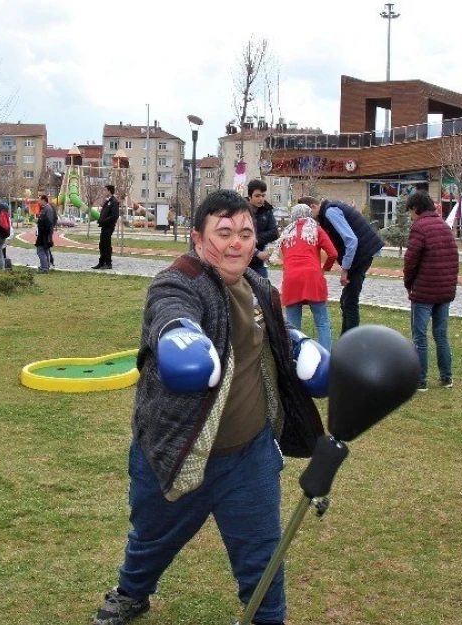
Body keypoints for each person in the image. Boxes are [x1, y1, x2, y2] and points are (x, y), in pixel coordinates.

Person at [92, 189, 327, 625]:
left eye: (245, 233)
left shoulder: (258, 286)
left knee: (263, 552)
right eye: (224, 233)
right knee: (152, 537)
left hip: (249, 455)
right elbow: (171, 310)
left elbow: (268, 336)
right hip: (177, 448)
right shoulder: (179, 280)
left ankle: (268, 617)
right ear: (199, 240)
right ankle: (132, 592)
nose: (236, 242)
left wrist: (300, 347)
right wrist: (179, 335)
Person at [302, 196, 384, 335]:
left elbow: (351, 240)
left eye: (308, 215)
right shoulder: (329, 211)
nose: (310, 220)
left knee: (350, 302)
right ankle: (345, 338)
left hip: (362, 254)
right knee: (345, 300)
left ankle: (351, 343)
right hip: (361, 254)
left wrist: (345, 270)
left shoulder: (330, 212)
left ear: (313, 207)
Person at [402, 191, 459, 391]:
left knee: (420, 336)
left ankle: (420, 380)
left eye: (410, 211)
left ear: (415, 209)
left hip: (424, 291)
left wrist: (409, 283)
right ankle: (447, 377)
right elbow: (454, 258)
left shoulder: (419, 228)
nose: (410, 215)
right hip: (444, 291)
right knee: (441, 335)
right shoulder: (445, 227)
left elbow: (410, 260)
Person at [271, 203, 337, 350]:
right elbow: (333, 253)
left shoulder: (286, 234)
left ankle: (296, 357)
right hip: (312, 277)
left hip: (291, 279)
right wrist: (325, 268)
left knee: (293, 326)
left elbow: (283, 257)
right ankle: (326, 356)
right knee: (322, 322)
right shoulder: (316, 230)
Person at [247, 179, 279, 280]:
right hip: (242, 259)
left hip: (259, 261)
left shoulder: (267, 210)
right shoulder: (241, 210)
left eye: (263, 195)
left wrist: (255, 239)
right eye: (257, 196)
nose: (261, 199)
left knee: (264, 291)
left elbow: (274, 233)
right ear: (249, 196)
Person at [94, 185, 120, 270]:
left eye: (105, 190)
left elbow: (114, 216)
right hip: (104, 226)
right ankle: (101, 262)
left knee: (106, 245)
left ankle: (108, 263)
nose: (104, 192)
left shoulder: (114, 202)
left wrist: (104, 220)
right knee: (102, 244)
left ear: (109, 191)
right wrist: (101, 220)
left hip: (109, 226)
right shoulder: (107, 201)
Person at [35, 196, 55, 273]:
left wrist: (38, 221)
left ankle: (44, 268)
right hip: (44, 233)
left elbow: (48, 222)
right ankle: (46, 266)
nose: (39, 202)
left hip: (44, 233)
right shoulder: (45, 208)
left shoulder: (48, 209)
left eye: (39, 200)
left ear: (43, 200)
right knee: (45, 249)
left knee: (40, 250)